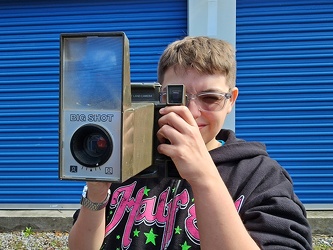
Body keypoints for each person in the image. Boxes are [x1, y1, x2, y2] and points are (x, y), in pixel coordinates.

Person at [68, 36, 312, 250]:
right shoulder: (131, 160)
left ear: (231, 100)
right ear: (157, 96)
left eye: (210, 98)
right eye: (176, 96)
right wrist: (97, 192)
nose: (192, 112)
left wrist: (204, 177)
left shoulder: (259, 175)